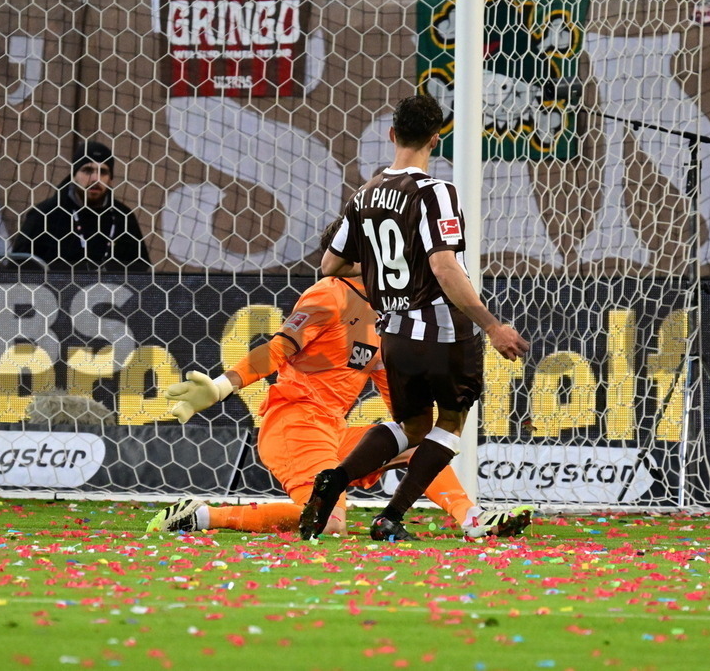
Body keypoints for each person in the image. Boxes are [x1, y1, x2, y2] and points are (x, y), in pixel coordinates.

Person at [151, 219, 532, 540]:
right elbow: (277, 349)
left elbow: (398, 403)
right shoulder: (329, 295)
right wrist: (221, 386)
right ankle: (201, 516)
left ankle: (472, 519)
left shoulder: (389, 312)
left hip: (334, 429)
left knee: (419, 452)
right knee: (330, 523)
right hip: (294, 423)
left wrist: (435, 428)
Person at [300, 94, 529, 542]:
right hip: (441, 327)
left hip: (395, 333)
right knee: (450, 422)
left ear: (392, 135)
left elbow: (329, 265)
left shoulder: (365, 194)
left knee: (411, 427)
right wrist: (492, 325)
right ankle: (391, 516)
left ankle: (336, 478)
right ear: (435, 139)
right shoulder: (436, 192)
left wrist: (385, 269)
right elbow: (445, 266)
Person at [10, 140, 150, 271]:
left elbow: (141, 275)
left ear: (111, 179)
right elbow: (17, 271)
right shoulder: (45, 216)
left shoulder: (123, 218)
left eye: (103, 172)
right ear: (74, 175)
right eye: (87, 170)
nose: (95, 179)